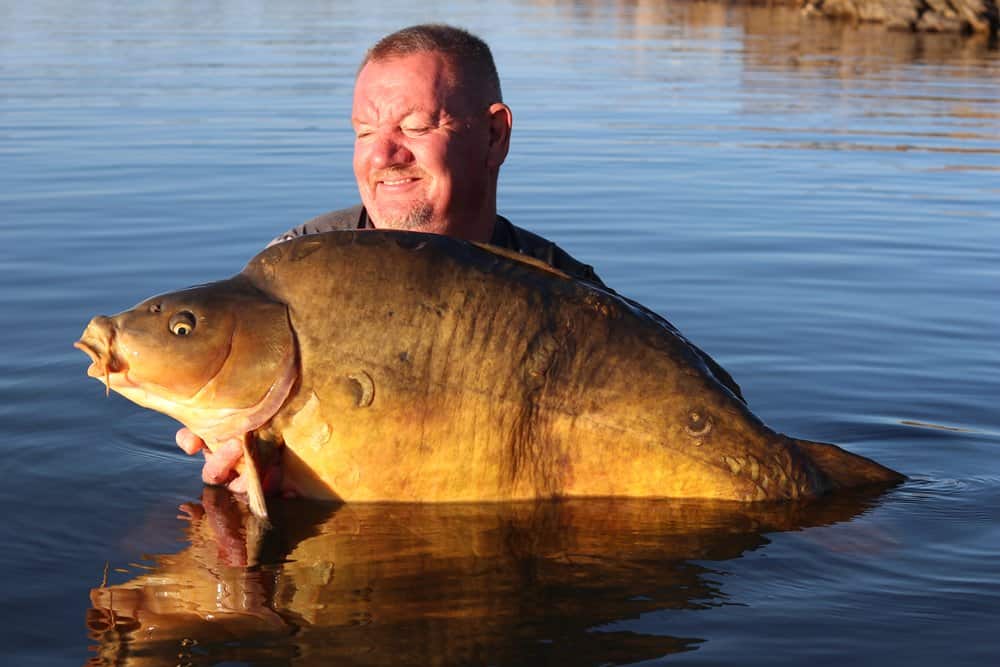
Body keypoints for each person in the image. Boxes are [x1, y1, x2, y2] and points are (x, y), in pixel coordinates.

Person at [176, 24, 742, 491]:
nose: (383, 155)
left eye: (416, 127)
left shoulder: (572, 298)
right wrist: (220, 440)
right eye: (363, 131)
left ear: (495, 135)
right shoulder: (291, 269)